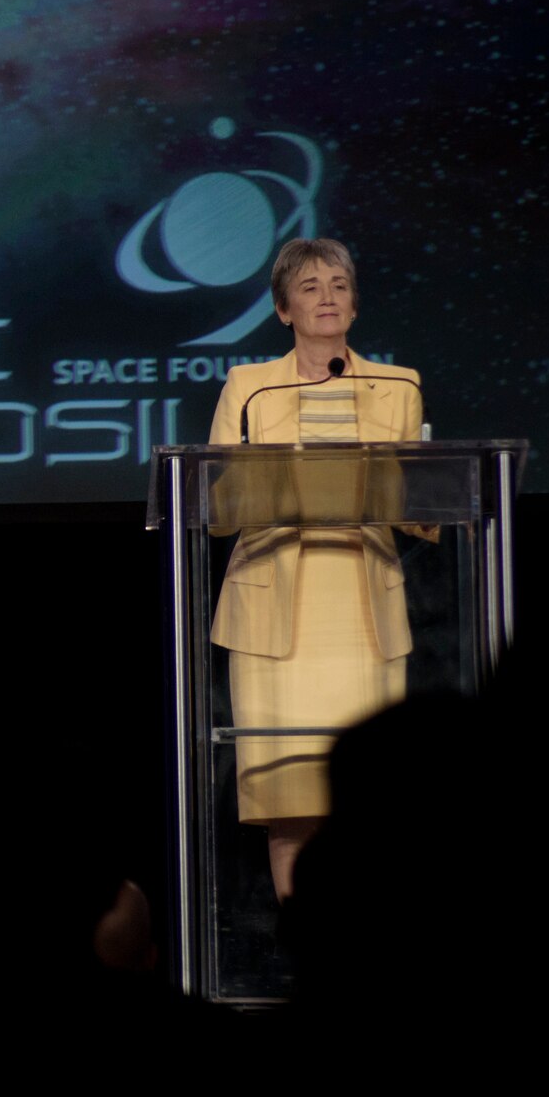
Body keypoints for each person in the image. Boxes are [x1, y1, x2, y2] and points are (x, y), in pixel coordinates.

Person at [206, 238, 425, 903]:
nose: (326, 296)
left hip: (363, 612)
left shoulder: (399, 384)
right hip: (276, 614)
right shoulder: (249, 386)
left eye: (337, 285)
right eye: (309, 287)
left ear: (354, 305)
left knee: (370, 808)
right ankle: (309, 957)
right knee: (289, 805)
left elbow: (418, 505)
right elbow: (216, 504)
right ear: (283, 309)